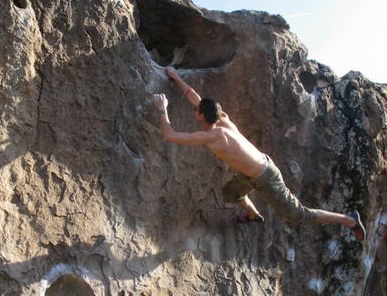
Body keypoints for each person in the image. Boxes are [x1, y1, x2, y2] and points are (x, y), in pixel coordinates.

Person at [152, 66, 366, 240]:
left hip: (265, 177)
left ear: (200, 117)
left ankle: (349, 220)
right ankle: (254, 215)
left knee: (298, 214)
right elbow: (196, 98)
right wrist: (176, 77)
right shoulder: (223, 119)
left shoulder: (213, 136)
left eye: (196, 112)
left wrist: (162, 108)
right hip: (255, 170)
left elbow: (170, 135)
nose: (195, 111)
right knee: (231, 193)